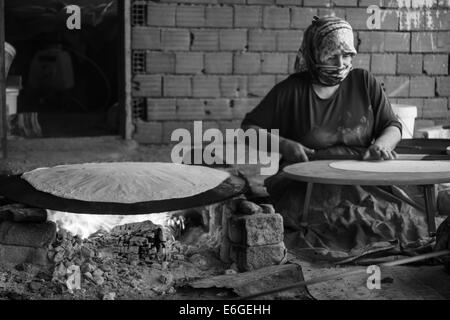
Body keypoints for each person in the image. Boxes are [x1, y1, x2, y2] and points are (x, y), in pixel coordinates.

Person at [242, 16, 431, 261]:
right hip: (309, 182)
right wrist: (284, 145)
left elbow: (392, 125)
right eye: (331, 57)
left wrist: (381, 145)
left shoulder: (364, 82)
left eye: (347, 55)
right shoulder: (292, 90)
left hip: (362, 176)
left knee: (396, 221)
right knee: (322, 229)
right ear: (313, 55)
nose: (341, 63)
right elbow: (248, 129)